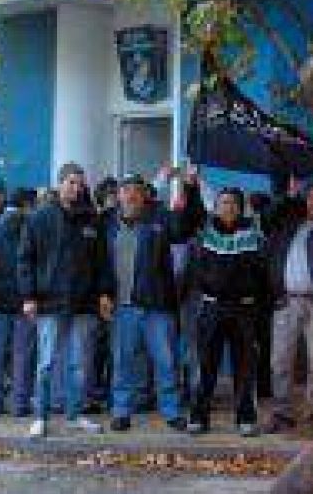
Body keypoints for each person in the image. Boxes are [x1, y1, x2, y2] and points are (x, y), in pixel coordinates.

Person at [102, 171, 204, 432]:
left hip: (158, 307)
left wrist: (191, 189)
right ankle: (121, 411)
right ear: (119, 195)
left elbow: (188, 225)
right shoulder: (108, 223)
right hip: (122, 306)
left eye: (137, 190)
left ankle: (171, 413)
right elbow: (100, 264)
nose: (131, 195)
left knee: (166, 361)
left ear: (144, 194)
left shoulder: (160, 219)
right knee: (123, 362)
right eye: (127, 190)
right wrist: (103, 294)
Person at [18, 162, 110, 438]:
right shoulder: (39, 218)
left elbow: (102, 263)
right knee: (45, 363)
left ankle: (75, 415)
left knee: (79, 364)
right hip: (48, 302)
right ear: (59, 184)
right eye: (71, 182)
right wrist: (29, 296)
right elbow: (25, 259)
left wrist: (104, 294)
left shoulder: (91, 220)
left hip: (83, 303)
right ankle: (41, 417)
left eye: (80, 183)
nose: (76, 188)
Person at [265, 182, 313, 435]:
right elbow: (270, 215)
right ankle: (282, 413)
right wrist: (287, 194)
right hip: (287, 301)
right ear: (305, 201)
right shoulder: (287, 226)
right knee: (280, 361)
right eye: (312, 198)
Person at [186, 187, 267, 436]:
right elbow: (186, 220)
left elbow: (261, 272)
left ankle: (245, 419)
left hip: (244, 309)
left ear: (240, 207)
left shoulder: (253, 234)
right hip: (212, 307)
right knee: (206, 365)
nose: (227, 207)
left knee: (244, 368)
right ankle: (199, 417)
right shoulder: (205, 232)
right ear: (215, 207)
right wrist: (191, 187)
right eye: (222, 203)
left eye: (232, 203)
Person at [0, 188, 36, 417]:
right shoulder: (29, 228)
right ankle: (19, 403)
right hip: (23, 301)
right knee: (22, 354)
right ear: (26, 205)